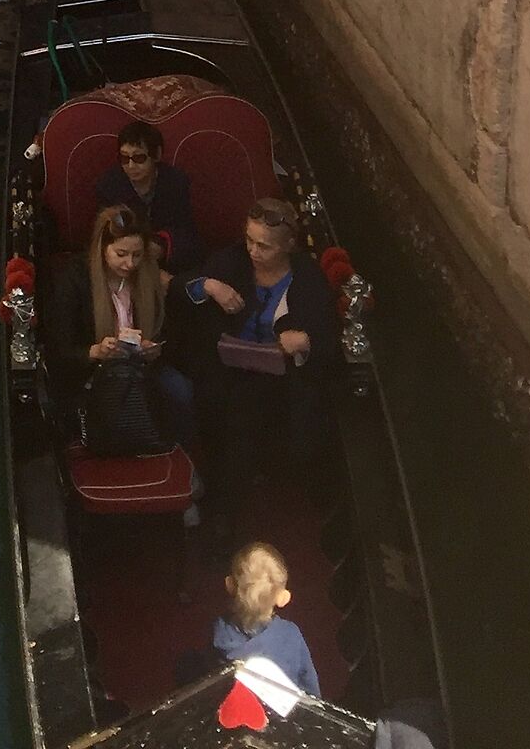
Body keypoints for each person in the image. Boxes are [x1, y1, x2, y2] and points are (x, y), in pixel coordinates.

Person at [186, 198, 336, 523]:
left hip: (277, 376)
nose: (253, 252)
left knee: (246, 411)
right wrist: (209, 286)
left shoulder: (307, 279)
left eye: (264, 247)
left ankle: (226, 506)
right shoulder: (233, 261)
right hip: (227, 363)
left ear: (287, 247)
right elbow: (187, 288)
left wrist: (304, 340)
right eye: (250, 241)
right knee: (213, 395)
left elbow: (327, 338)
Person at [46, 206, 197, 482]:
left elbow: (172, 334)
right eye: (121, 254)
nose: (130, 264)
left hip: (142, 368)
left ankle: (182, 466)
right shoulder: (75, 278)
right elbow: (59, 349)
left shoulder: (148, 277)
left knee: (182, 391)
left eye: (137, 255)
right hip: (93, 372)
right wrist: (95, 351)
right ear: (103, 248)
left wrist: (156, 349)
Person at [211, 541, 321, 697]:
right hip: (284, 717)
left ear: (229, 585)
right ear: (283, 598)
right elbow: (310, 687)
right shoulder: (291, 634)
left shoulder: (219, 630)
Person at [96, 119, 203, 271]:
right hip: (126, 262)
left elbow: (186, 231)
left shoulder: (176, 182)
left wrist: (162, 246)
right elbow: (108, 233)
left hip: (168, 261)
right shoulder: (109, 185)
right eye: (125, 159)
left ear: (157, 155)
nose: (131, 166)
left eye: (139, 158)